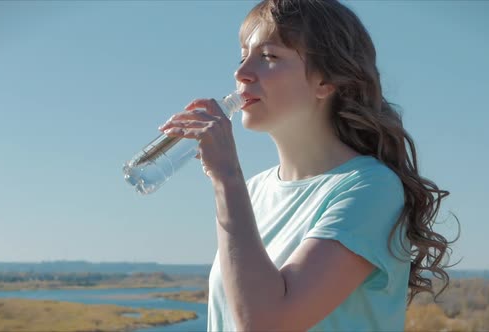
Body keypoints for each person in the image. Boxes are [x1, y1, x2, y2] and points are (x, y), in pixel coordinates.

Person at [158, 0, 459, 331]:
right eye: (243, 55)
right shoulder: (254, 191)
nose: (240, 72)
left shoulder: (371, 189)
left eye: (269, 57)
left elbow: (266, 323)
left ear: (325, 82)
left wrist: (226, 177)